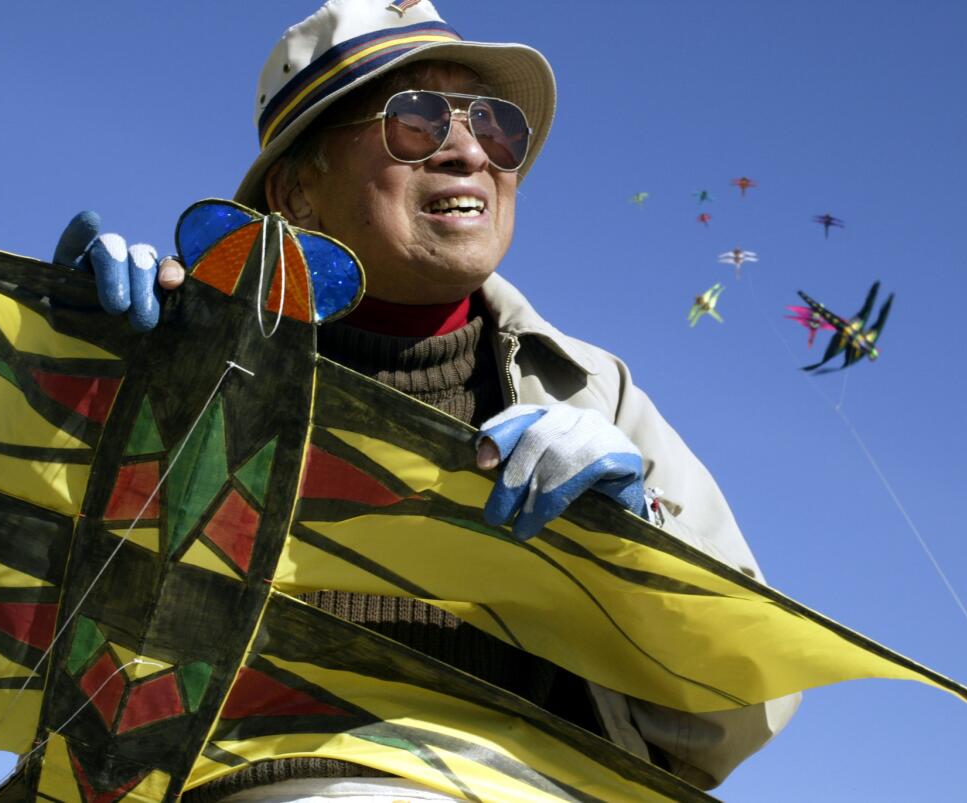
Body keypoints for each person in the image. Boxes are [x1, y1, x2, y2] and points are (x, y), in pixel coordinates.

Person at [54, 1, 799, 799]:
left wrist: (633, 548)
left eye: (496, 125)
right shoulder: (189, 353)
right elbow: (50, 629)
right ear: (299, 191)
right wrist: (76, 376)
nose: (471, 151)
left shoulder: (594, 391)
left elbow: (741, 710)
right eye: (416, 119)